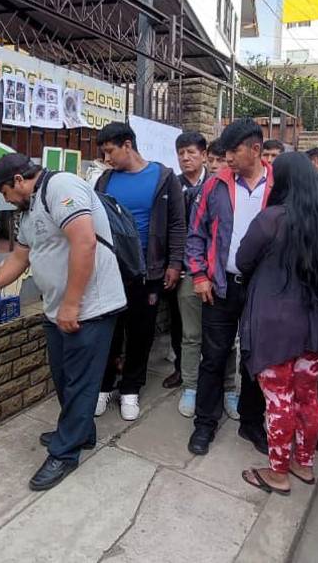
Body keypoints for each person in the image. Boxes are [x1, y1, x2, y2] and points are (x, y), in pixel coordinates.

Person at [0, 153, 126, 490]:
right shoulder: (30, 210)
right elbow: (19, 259)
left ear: (19, 181)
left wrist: (71, 303)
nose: (4, 199)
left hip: (88, 307)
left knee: (80, 382)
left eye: (4, 192)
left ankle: (65, 453)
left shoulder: (60, 187)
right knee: (64, 378)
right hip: (58, 309)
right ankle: (82, 432)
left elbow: (85, 241)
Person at [236, 153, 318, 494]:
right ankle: (304, 464)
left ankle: (277, 472)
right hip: (316, 324)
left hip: (275, 324)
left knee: (278, 399)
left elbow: (242, 260)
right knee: (308, 398)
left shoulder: (272, 219)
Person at [186, 118, 272, 456]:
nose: (228, 158)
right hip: (219, 287)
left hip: (261, 290)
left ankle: (251, 423)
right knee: (214, 357)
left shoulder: (278, 187)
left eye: (233, 151)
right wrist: (199, 274)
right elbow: (196, 233)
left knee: (255, 358)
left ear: (255, 149)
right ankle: (205, 423)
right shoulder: (215, 186)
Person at [94, 122, 185, 421]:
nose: (107, 159)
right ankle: (104, 386)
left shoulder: (163, 177)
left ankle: (131, 388)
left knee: (140, 333)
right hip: (110, 271)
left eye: (110, 151)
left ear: (128, 145)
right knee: (108, 331)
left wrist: (174, 263)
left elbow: (176, 225)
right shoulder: (105, 181)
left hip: (148, 272)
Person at [170, 131, 236, 416]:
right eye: (181, 153)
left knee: (227, 338)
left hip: (224, 276)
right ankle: (191, 386)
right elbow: (183, 232)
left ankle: (230, 388)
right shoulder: (175, 186)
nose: (186, 158)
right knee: (191, 335)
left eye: (192, 152)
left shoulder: (229, 189)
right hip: (191, 272)